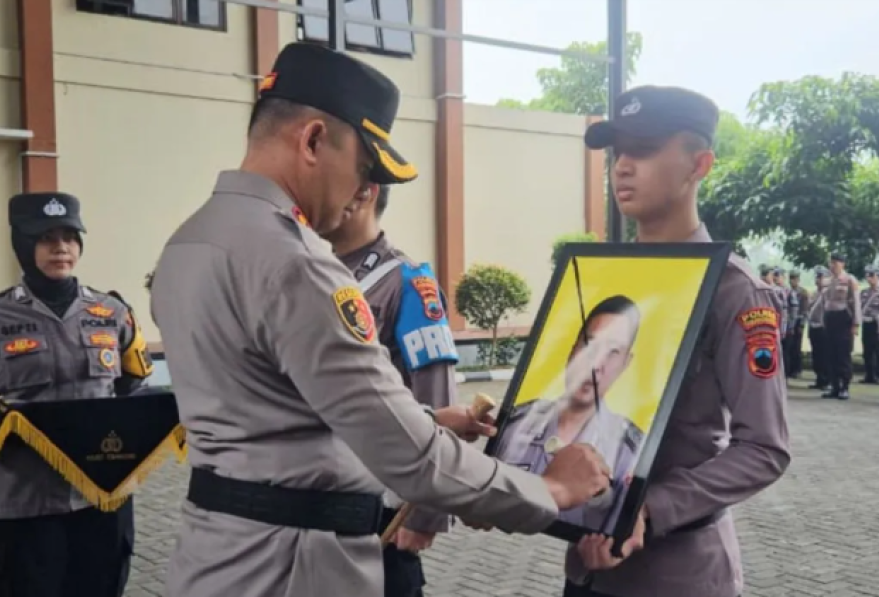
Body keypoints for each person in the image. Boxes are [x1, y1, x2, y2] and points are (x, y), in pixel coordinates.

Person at [148, 42, 612, 597]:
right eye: (363, 167)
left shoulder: (188, 242)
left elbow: (278, 409)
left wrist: (428, 417)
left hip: (217, 554)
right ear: (314, 139)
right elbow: (414, 461)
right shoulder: (296, 263)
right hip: (293, 568)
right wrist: (548, 490)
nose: (359, 193)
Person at [568, 85, 791, 597]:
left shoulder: (733, 291)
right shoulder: (604, 281)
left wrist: (650, 508)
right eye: (617, 152)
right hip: (587, 567)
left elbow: (765, 448)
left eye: (642, 150)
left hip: (678, 575)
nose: (622, 166)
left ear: (700, 165)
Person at [0, 192, 153, 597]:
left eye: (70, 237)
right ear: (22, 244)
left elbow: (134, 389)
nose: (61, 247)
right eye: (46, 237)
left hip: (102, 499)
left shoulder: (112, 313)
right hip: (21, 504)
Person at [321, 181, 457, 597]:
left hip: (378, 509)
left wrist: (425, 514)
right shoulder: (313, 271)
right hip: (314, 504)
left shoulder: (405, 284)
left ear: (364, 193)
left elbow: (438, 403)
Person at [496, 296, 644, 530]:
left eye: (613, 352)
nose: (595, 364)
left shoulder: (629, 452)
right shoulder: (516, 424)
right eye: (590, 345)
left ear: (626, 363)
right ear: (572, 350)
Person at [822, 253, 861, 400]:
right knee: (830, 354)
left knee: (843, 354)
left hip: (843, 318)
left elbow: (856, 302)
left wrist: (856, 323)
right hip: (829, 318)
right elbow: (823, 302)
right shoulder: (827, 281)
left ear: (843, 264)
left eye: (836, 263)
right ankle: (834, 386)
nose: (833, 265)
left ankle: (845, 386)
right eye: (831, 263)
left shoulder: (849, 280)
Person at [859, 266, 879, 384]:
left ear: (878, 277)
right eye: (867, 275)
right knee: (867, 350)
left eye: (871, 275)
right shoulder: (864, 292)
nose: (869, 278)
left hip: (878, 323)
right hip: (867, 322)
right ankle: (869, 374)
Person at [806, 267, 831, 391]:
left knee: (826, 355)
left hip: (825, 327)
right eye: (817, 277)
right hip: (814, 326)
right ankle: (819, 379)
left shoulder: (830, 293)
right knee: (816, 355)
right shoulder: (814, 294)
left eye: (821, 276)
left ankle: (828, 380)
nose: (819, 279)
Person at [773, 268, 798, 373]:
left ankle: (785, 375)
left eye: (779, 276)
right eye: (775, 275)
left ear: (783, 277)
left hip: (785, 327)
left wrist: (791, 325)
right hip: (774, 327)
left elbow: (794, 309)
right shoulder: (771, 290)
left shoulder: (789, 292)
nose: (776, 278)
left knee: (785, 352)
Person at [787, 271, 809, 378]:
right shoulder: (787, 291)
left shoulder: (803, 292)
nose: (793, 281)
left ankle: (797, 369)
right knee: (790, 346)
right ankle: (791, 368)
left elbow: (805, 310)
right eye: (791, 278)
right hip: (790, 322)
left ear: (798, 280)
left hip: (798, 321)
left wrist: (802, 324)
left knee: (797, 346)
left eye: (795, 279)